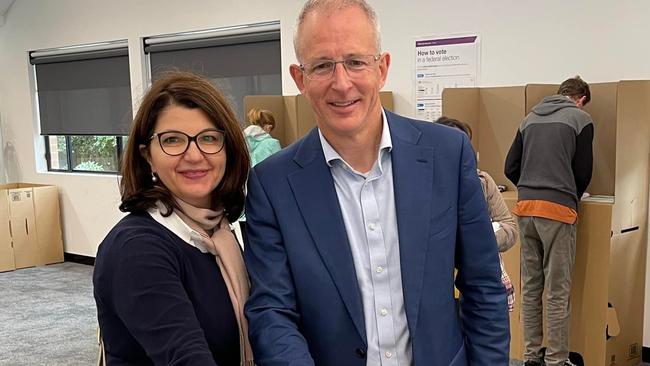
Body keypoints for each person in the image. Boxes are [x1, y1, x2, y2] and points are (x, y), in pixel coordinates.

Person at [243, 1, 510, 365]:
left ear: (381, 68)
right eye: (322, 65)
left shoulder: (446, 156)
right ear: (299, 77)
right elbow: (273, 312)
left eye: (355, 61)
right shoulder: (272, 184)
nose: (342, 83)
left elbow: (484, 286)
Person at [93, 71, 253, 365]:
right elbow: (185, 357)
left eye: (208, 138)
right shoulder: (137, 248)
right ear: (147, 155)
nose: (194, 155)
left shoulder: (217, 234)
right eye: (173, 140)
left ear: (227, 149)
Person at [505, 76, 594, 366]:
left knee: (531, 287)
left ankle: (531, 356)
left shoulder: (528, 119)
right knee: (557, 290)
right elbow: (582, 171)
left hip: (525, 208)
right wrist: (568, 193)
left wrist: (532, 186)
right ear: (580, 98)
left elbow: (511, 167)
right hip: (557, 211)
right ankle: (556, 360)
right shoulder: (580, 119)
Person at [435, 116, 518, 312]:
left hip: (479, 284)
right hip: (438, 287)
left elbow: (510, 228)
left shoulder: (482, 181)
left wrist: (478, 238)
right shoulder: (424, 186)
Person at [238, 108, 282, 241]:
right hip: (264, 204)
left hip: (241, 205)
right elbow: (278, 175)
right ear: (268, 127)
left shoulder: (239, 141)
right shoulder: (271, 144)